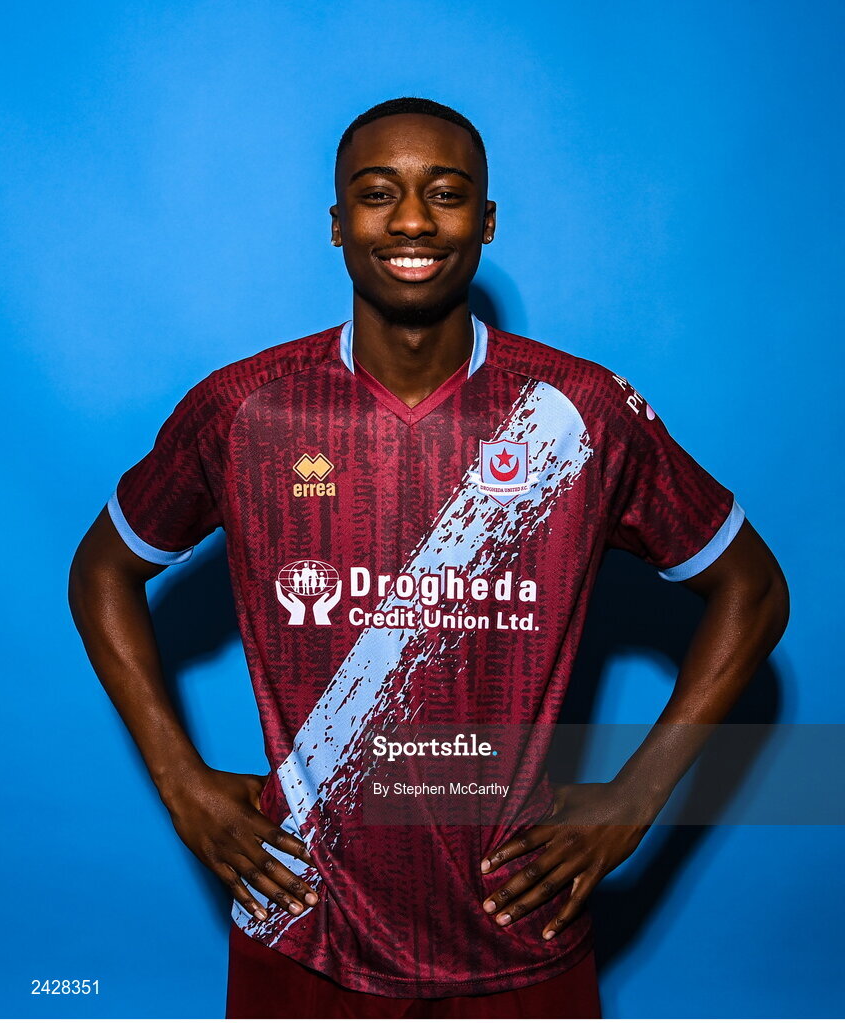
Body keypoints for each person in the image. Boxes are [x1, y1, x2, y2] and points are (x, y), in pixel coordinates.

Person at [69, 96, 789, 1019]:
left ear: (485, 221)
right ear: (337, 224)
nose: (412, 220)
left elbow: (754, 590)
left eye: (445, 194)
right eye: (379, 194)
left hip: (519, 931)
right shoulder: (246, 409)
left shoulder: (579, 414)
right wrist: (181, 782)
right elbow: (101, 572)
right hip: (303, 926)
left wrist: (634, 799)